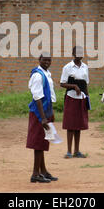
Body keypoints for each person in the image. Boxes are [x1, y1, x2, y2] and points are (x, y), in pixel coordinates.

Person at [26, 53, 58, 183]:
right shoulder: (38, 75)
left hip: (46, 112)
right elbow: (37, 97)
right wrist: (43, 118)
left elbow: (50, 95)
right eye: (44, 60)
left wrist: (50, 113)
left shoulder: (46, 73)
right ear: (39, 60)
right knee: (38, 143)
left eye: (49, 60)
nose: (47, 62)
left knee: (43, 141)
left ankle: (43, 171)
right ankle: (35, 174)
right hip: (39, 113)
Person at [60, 46, 90, 159]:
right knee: (70, 125)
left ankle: (77, 151)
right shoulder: (67, 67)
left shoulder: (85, 67)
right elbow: (62, 83)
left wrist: (87, 99)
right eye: (77, 52)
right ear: (73, 53)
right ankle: (68, 151)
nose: (79, 54)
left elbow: (85, 84)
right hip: (71, 97)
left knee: (78, 125)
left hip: (81, 98)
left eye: (81, 52)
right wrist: (73, 86)